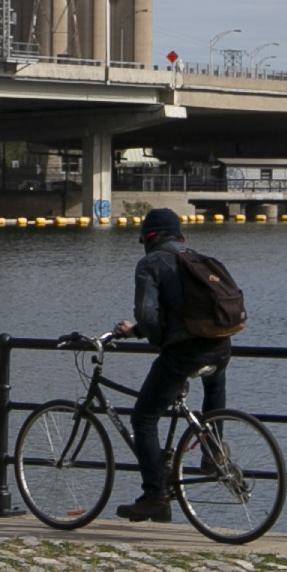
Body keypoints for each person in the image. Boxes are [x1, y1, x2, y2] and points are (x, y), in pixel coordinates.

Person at [109, 206, 229, 523]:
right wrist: (137, 332)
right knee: (213, 390)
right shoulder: (198, 260)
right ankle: (214, 451)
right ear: (179, 235)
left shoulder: (150, 263)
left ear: (149, 237)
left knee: (144, 420)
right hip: (220, 345)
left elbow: (148, 316)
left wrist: (156, 340)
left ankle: (155, 495)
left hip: (185, 352)